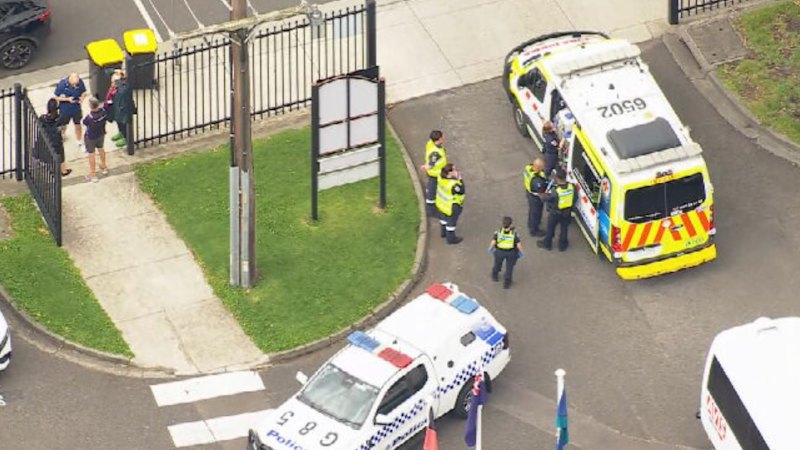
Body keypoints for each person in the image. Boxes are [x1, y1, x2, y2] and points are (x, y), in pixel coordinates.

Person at [537, 169, 574, 252]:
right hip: (567, 212)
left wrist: (541, 195)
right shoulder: (571, 187)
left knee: (550, 229)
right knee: (564, 229)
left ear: (557, 178)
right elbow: (575, 198)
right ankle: (562, 245)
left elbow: (547, 198)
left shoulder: (556, 191)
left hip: (555, 213)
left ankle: (547, 244)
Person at [105, 69, 136, 152]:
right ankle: (121, 133)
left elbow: (123, 92)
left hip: (123, 109)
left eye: (115, 81)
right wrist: (116, 71)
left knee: (123, 123)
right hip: (115, 107)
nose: (112, 83)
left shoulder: (124, 87)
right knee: (118, 122)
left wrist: (118, 81)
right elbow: (106, 71)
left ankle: (126, 138)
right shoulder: (115, 87)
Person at [39, 98, 72, 176]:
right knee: (60, 155)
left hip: (48, 139)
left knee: (50, 154)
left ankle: (52, 170)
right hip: (57, 140)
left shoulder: (43, 118)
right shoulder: (60, 118)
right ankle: (63, 171)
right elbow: (64, 127)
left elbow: (40, 127)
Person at [489, 216, 524, 289]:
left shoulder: (498, 232)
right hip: (510, 253)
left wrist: (490, 248)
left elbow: (493, 242)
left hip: (499, 252)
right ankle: (507, 283)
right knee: (509, 267)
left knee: (497, 264)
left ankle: (495, 275)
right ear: (510, 224)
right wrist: (521, 252)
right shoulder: (514, 234)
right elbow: (518, 245)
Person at [54, 73, 87, 148]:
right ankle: (62, 135)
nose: (75, 85)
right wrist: (67, 99)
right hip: (65, 109)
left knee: (78, 124)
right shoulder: (62, 85)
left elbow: (84, 92)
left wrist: (82, 98)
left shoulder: (80, 82)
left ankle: (79, 140)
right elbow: (56, 97)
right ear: (70, 80)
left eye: (76, 84)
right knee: (63, 124)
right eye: (73, 84)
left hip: (76, 108)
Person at [435, 163, 465, 245]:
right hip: (451, 206)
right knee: (451, 222)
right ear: (449, 173)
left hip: (442, 204)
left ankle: (443, 233)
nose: (456, 171)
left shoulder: (440, 177)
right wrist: (460, 178)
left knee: (443, 219)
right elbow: (461, 190)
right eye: (454, 170)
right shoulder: (453, 185)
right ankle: (451, 238)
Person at [82, 97, 110, 183]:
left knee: (91, 154)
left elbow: (84, 123)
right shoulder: (103, 113)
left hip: (91, 137)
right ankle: (104, 166)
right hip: (101, 134)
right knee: (101, 149)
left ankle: (93, 174)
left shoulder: (90, 117)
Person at [420, 130, 447, 217]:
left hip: (434, 173)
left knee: (433, 188)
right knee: (432, 190)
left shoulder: (430, 143)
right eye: (442, 137)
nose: (444, 138)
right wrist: (426, 167)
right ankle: (431, 210)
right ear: (438, 140)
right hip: (435, 175)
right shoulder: (436, 153)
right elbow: (431, 164)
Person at [523, 157, 547, 237]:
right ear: (538, 167)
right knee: (535, 213)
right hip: (535, 197)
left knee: (532, 211)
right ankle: (534, 230)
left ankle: (531, 223)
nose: (544, 168)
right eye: (542, 167)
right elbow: (541, 190)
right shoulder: (536, 180)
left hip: (529, 192)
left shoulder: (528, 168)